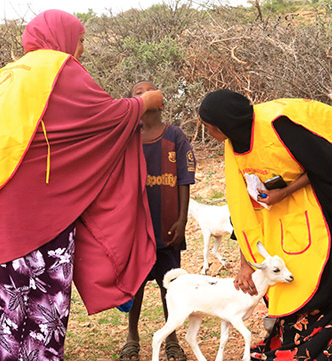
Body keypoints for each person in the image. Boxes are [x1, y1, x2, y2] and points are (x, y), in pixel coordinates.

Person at [0, 10, 164, 361]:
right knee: (26, 289)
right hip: (12, 211)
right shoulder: (59, 68)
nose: (82, 49)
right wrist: (144, 102)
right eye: (81, 40)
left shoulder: (8, 73)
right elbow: (105, 119)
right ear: (63, 37)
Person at [197, 90, 332, 361]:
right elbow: (241, 205)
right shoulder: (235, 142)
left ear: (222, 126)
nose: (207, 132)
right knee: (291, 270)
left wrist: (284, 192)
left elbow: (329, 165)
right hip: (295, 202)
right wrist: (245, 261)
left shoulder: (279, 125)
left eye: (208, 127)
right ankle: (300, 342)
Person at [119, 81, 195, 361]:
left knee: (170, 286)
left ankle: (172, 338)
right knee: (135, 284)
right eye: (136, 93)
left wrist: (182, 219)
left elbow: (185, 179)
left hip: (167, 225)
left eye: (147, 91)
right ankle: (132, 337)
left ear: (161, 102)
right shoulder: (128, 137)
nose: (142, 95)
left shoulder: (175, 136)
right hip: (137, 228)